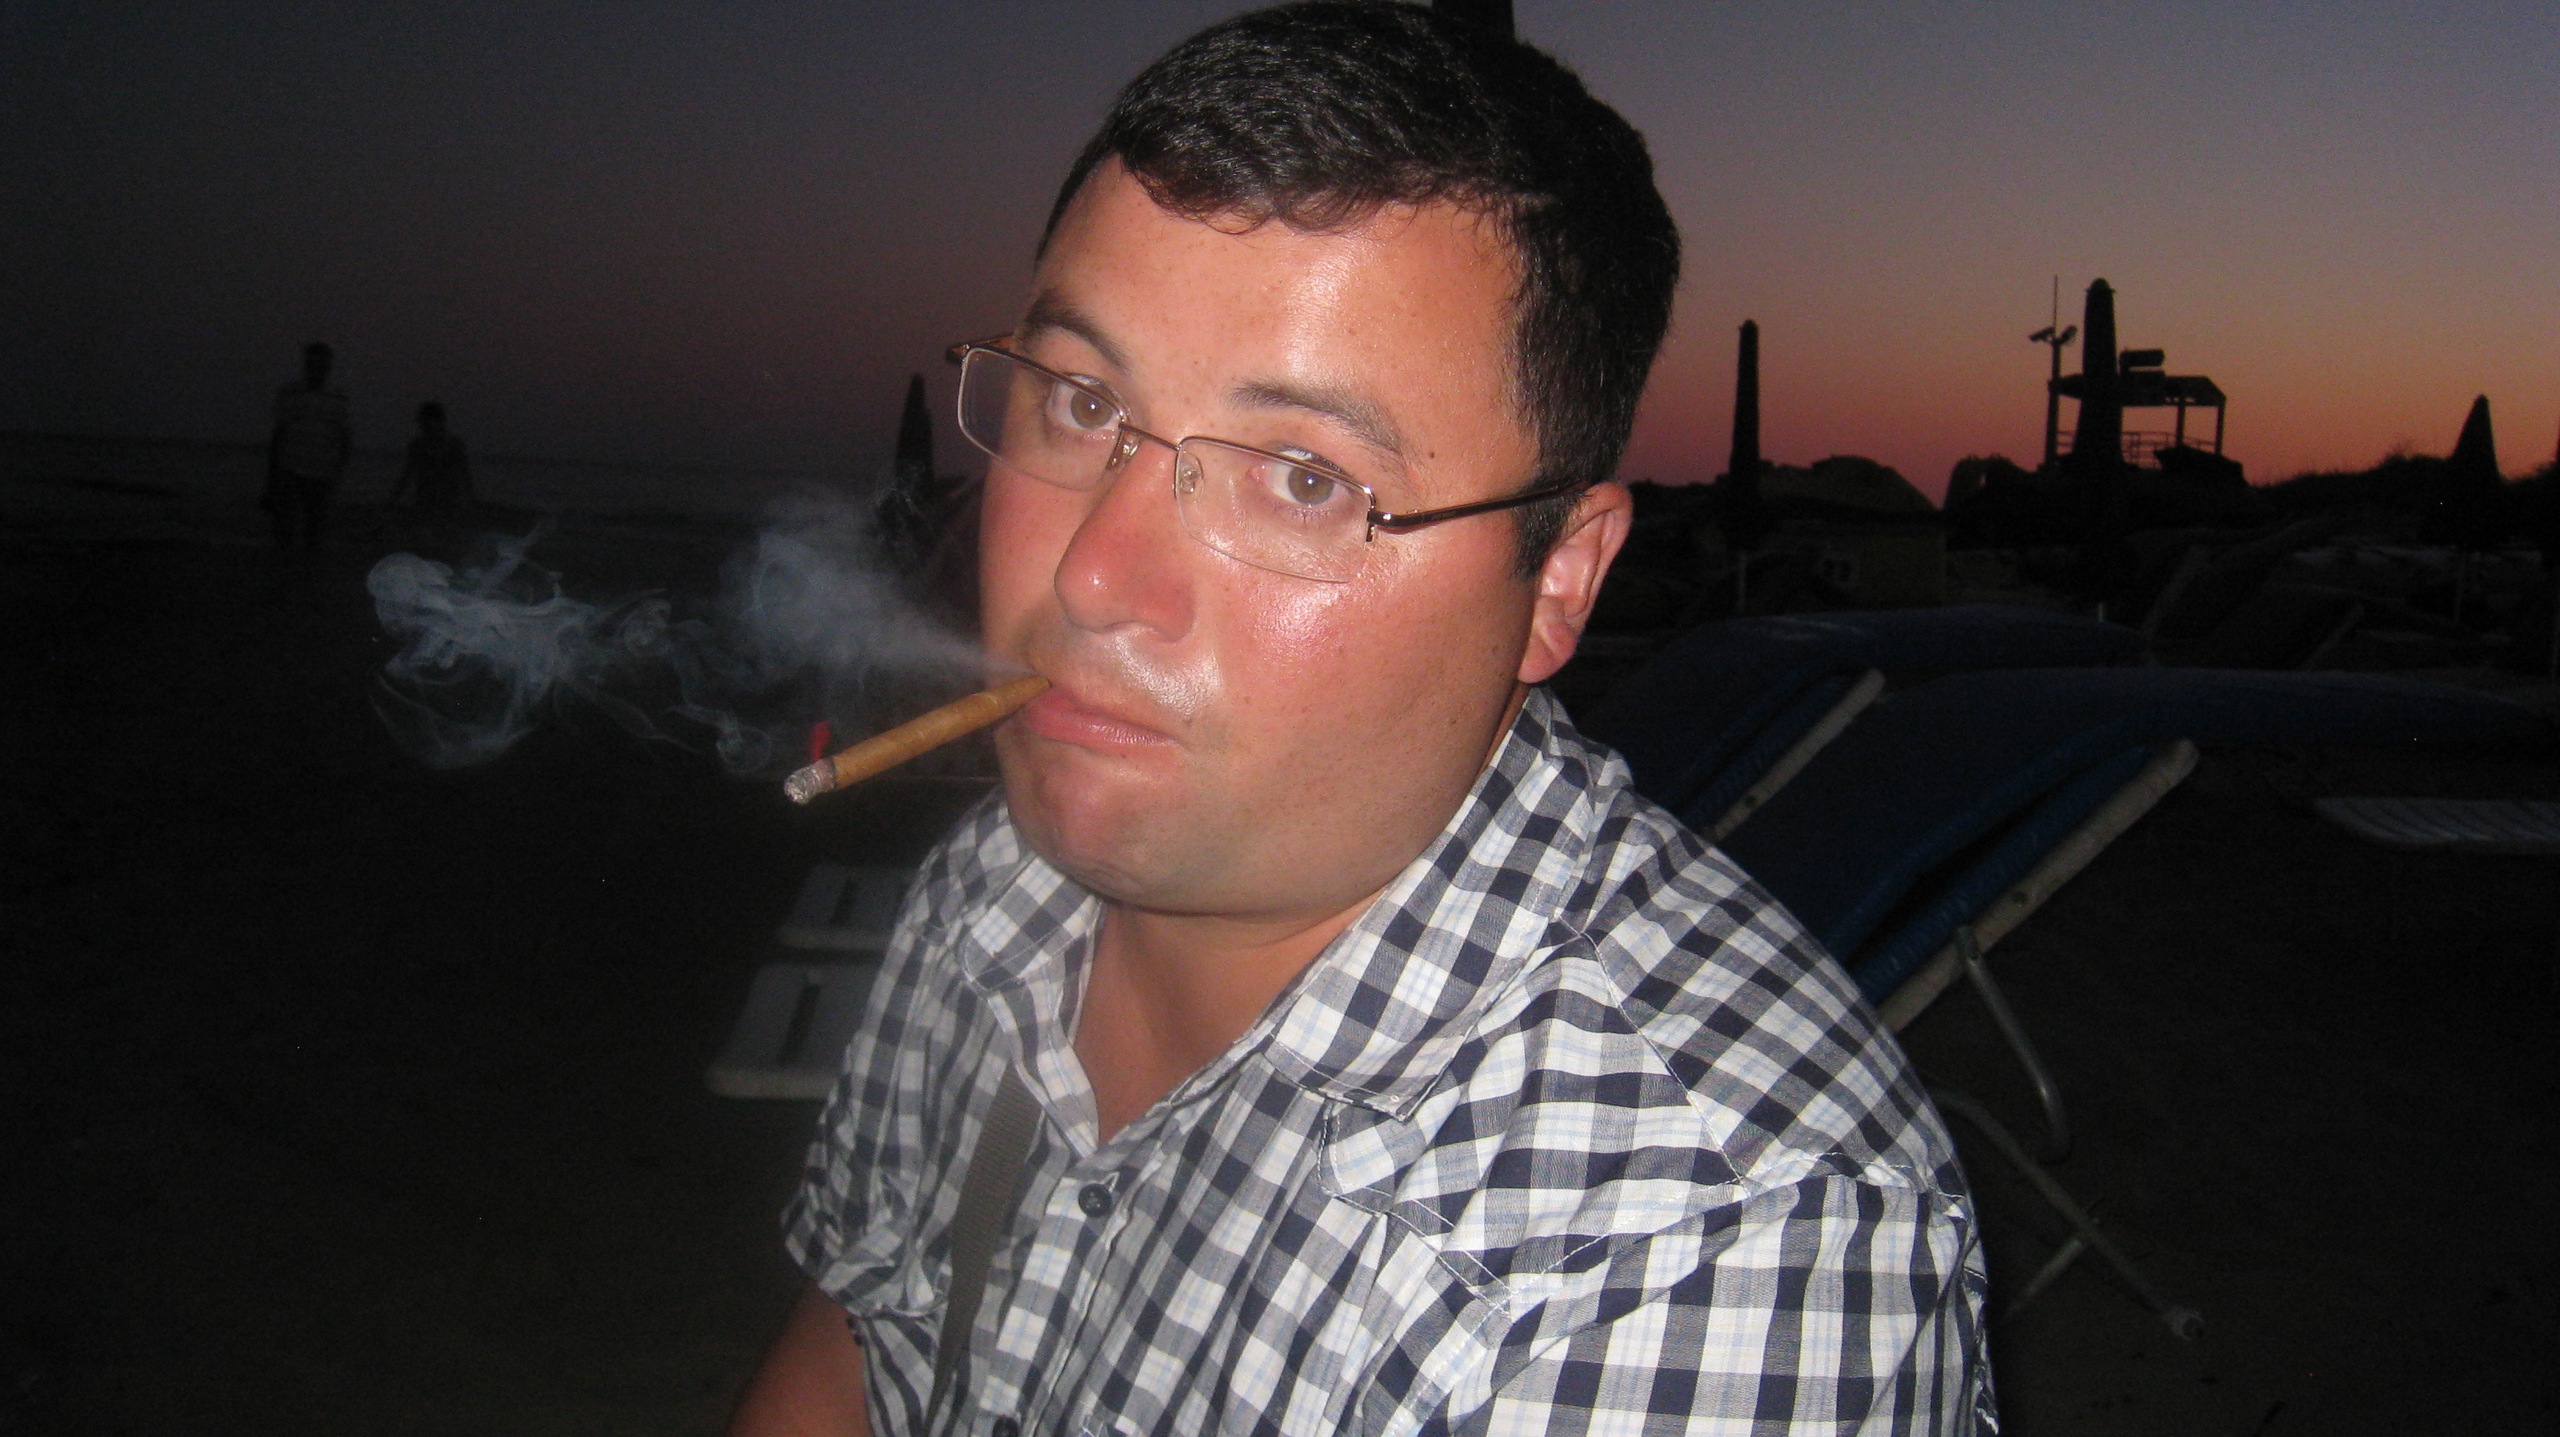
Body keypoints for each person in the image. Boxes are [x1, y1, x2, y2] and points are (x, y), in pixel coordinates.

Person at [734, 6, 1993, 1434]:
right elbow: (856, 1347)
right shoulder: (997, 888)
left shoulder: (1712, 1264)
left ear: (1557, 581)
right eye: (1081, 402)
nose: (1093, 579)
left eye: (1305, 480)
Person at [263, 341, 351, 549]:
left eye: (322, 364)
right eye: (313, 364)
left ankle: (308, 565)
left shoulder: (338, 397)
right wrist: (273, 473)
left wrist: (337, 471)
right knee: (284, 527)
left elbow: (344, 437)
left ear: (328, 367)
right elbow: (280, 433)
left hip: (321, 471)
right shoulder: (290, 393)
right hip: (289, 469)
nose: (317, 369)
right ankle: (285, 564)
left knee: (315, 528)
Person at [388, 401, 473, 517]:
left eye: (426, 422)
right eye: (423, 423)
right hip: (425, 502)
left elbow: (465, 476)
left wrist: (469, 500)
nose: (424, 426)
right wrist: (393, 499)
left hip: (448, 503)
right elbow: (407, 475)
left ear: (438, 422)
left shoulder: (454, 445)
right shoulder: (417, 446)